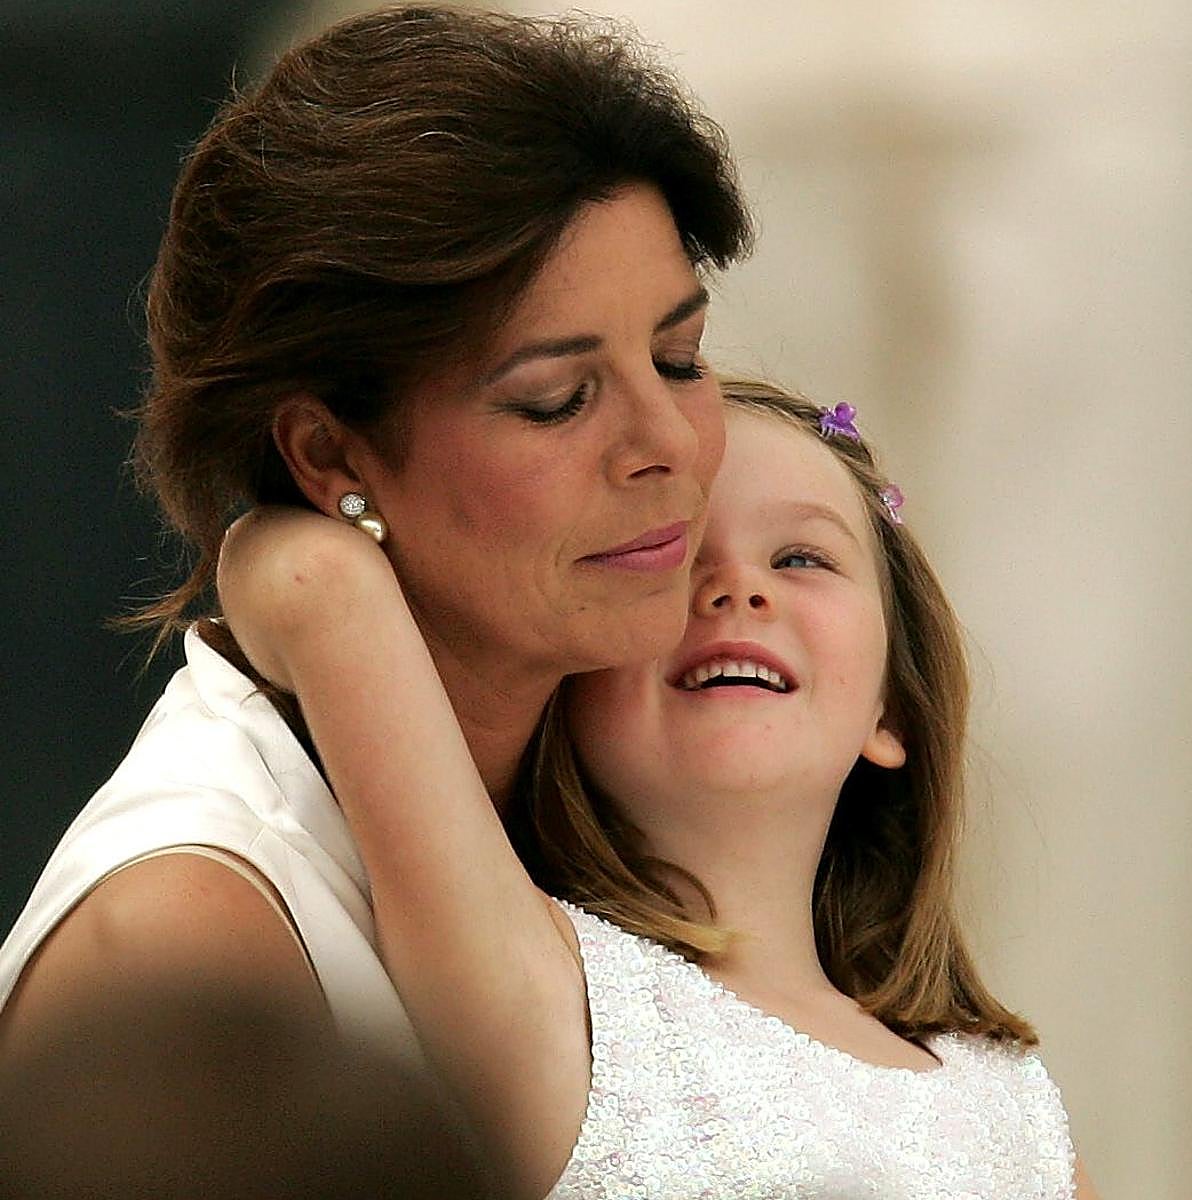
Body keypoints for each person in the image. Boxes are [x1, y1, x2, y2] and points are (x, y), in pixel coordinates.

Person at [0, 0, 750, 1158]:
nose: (667, 442)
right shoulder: (190, 940)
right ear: (329, 453)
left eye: (679, 358)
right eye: (557, 399)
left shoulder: (654, 759)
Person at [209, 379, 1100, 1198]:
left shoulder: (1017, 1107)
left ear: (892, 709)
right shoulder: (535, 992)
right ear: (570, 674)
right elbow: (312, 576)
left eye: (800, 558)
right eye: (667, 564)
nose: (734, 589)